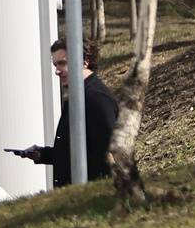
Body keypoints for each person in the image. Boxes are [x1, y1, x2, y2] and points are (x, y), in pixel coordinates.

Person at [8, 38, 119, 184]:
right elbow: (77, 153)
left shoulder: (95, 97)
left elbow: (108, 151)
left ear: (84, 62)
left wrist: (89, 192)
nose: (57, 71)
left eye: (62, 63)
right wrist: (43, 154)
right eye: (55, 65)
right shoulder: (82, 96)